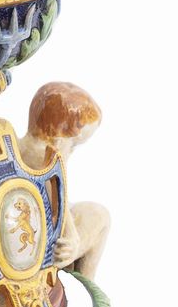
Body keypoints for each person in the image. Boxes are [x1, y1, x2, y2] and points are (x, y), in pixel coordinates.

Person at [19, 82, 111, 280]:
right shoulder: (48, 161)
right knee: (100, 216)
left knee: (87, 210)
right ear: (61, 136)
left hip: (28, 222)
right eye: (74, 145)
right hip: (46, 245)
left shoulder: (17, 145)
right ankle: (85, 283)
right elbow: (60, 211)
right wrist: (73, 240)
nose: (71, 151)